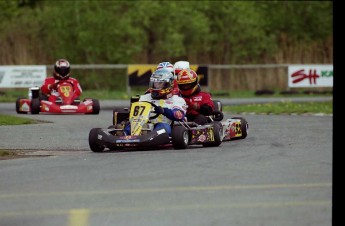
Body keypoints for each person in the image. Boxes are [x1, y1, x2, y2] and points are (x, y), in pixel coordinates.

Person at [124, 68, 187, 136]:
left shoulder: (177, 100)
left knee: (163, 127)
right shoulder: (144, 97)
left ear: (168, 84)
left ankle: (151, 136)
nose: (156, 86)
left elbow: (179, 116)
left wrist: (164, 111)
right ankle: (125, 134)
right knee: (129, 127)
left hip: (164, 126)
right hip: (144, 124)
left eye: (160, 83)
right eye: (155, 83)